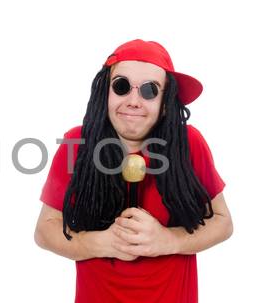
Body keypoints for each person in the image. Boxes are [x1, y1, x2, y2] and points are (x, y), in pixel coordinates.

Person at [33, 39, 233, 303]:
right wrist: (103, 243)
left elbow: (223, 222)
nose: (134, 101)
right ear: (105, 93)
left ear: (164, 102)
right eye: (121, 87)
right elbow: (45, 231)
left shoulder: (189, 143)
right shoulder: (76, 145)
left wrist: (168, 240)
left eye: (150, 90)